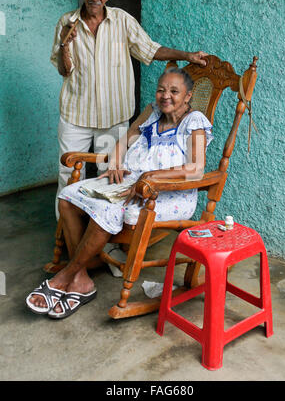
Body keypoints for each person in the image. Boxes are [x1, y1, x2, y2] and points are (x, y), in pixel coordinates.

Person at [26, 68, 213, 319]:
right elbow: (124, 141)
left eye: (174, 91)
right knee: (69, 195)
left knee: (108, 208)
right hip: (132, 182)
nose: (165, 96)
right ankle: (81, 276)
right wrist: (115, 162)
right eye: (161, 89)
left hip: (168, 194)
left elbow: (195, 169)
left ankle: (67, 275)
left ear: (188, 96)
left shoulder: (194, 121)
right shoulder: (151, 113)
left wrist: (150, 178)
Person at [50, 0, 209, 219]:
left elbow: (150, 49)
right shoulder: (66, 22)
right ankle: (68, 238)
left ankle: (104, 238)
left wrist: (186, 55)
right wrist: (65, 45)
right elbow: (64, 70)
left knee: (111, 176)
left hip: (113, 118)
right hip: (76, 116)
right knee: (67, 175)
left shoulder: (123, 21)